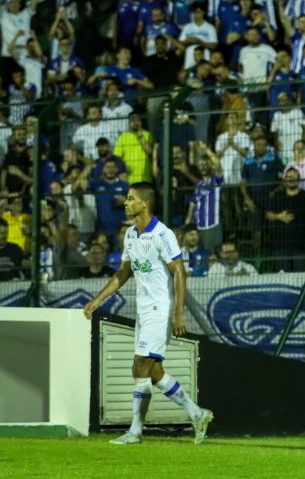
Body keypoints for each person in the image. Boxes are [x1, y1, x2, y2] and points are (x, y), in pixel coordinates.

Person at [83, 182, 213, 445]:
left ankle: (135, 432)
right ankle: (197, 413)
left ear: (145, 203)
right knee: (153, 371)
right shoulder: (131, 234)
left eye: (131, 199)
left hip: (160, 308)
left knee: (140, 365)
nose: (126, 203)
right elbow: (123, 272)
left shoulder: (162, 234)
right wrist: (98, 299)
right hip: (144, 309)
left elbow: (179, 271)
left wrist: (178, 312)